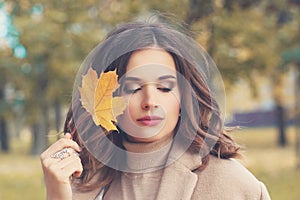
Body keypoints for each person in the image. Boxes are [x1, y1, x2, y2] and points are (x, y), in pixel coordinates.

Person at [40, 21, 271, 200]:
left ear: (184, 98)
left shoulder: (235, 186)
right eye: (133, 87)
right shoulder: (79, 184)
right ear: (108, 98)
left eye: (164, 87)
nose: (150, 101)